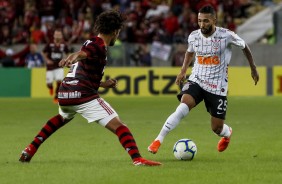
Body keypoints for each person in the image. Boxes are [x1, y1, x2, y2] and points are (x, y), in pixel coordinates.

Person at [19, 10, 161, 166]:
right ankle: (137, 159)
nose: (118, 35)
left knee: (62, 117)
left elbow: (85, 67)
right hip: (82, 94)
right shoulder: (97, 45)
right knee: (120, 127)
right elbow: (84, 53)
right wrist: (74, 56)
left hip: (65, 92)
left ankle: (30, 148)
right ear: (114, 31)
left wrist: (104, 84)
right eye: (118, 32)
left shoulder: (90, 41)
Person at [148, 5, 259, 154]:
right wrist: (182, 71)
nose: (202, 25)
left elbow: (244, 46)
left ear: (214, 20)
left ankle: (227, 133)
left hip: (217, 86)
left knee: (217, 128)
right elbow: (189, 53)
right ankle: (158, 140)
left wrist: (253, 67)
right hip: (197, 80)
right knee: (183, 106)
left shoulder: (227, 35)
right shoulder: (193, 36)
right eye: (199, 21)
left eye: (206, 21)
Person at [42, 29, 69, 103]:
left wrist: (65, 60)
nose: (57, 36)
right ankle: (51, 88)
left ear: (61, 36)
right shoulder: (50, 44)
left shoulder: (64, 45)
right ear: (54, 35)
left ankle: (56, 96)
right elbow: (43, 52)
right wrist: (47, 60)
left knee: (59, 81)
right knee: (49, 84)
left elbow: (67, 54)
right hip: (50, 67)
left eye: (59, 35)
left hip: (59, 66)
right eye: (56, 35)